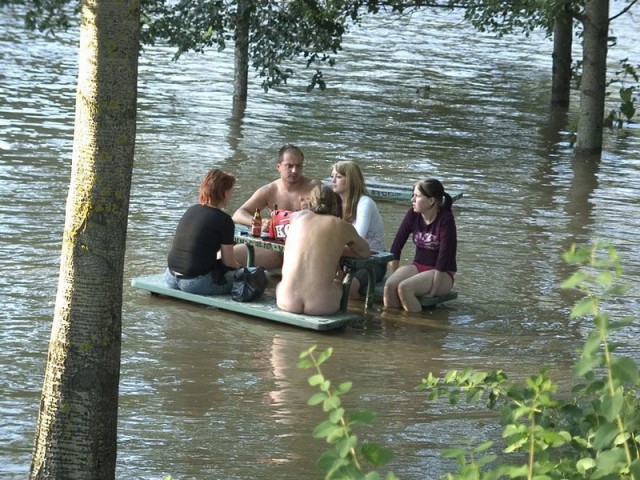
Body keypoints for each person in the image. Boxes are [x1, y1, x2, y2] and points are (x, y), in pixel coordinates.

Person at [276, 185, 370, 316]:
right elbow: (364, 252)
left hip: (286, 301)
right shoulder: (341, 225)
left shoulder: (294, 218)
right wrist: (335, 248)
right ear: (335, 204)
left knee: (281, 283)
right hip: (321, 305)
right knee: (339, 282)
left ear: (309, 202)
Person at [232, 144, 321, 269]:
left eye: (298, 166)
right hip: (276, 249)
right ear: (278, 167)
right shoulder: (269, 190)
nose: (294, 171)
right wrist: (259, 222)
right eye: (289, 166)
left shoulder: (314, 188)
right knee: (226, 256)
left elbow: (332, 216)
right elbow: (238, 214)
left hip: (306, 249)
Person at [383, 178, 457, 313]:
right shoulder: (413, 214)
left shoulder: (446, 219)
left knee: (404, 288)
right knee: (389, 286)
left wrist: (434, 290)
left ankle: (416, 328)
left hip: (442, 273)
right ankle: (391, 329)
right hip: (418, 266)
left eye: (417, 196)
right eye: (413, 195)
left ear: (431, 201)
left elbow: (444, 257)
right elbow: (396, 246)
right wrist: (394, 274)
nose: (412, 200)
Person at [164, 169, 240, 295]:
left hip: (170, 276)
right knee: (255, 277)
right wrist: (240, 268)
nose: (231, 196)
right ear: (224, 193)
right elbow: (229, 263)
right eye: (230, 192)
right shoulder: (224, 220)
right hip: (195, 283)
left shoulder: (191, 210)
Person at [330, 161, 386, 299]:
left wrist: (329, 247)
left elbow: (357, 240)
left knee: (350, 286)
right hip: (343, 258)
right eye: (332, 176)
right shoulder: (334, 202)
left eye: (338, 177)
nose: (333, 180)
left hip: (371, 261)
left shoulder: (365, 203)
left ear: (350, 180)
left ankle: (360, 317)